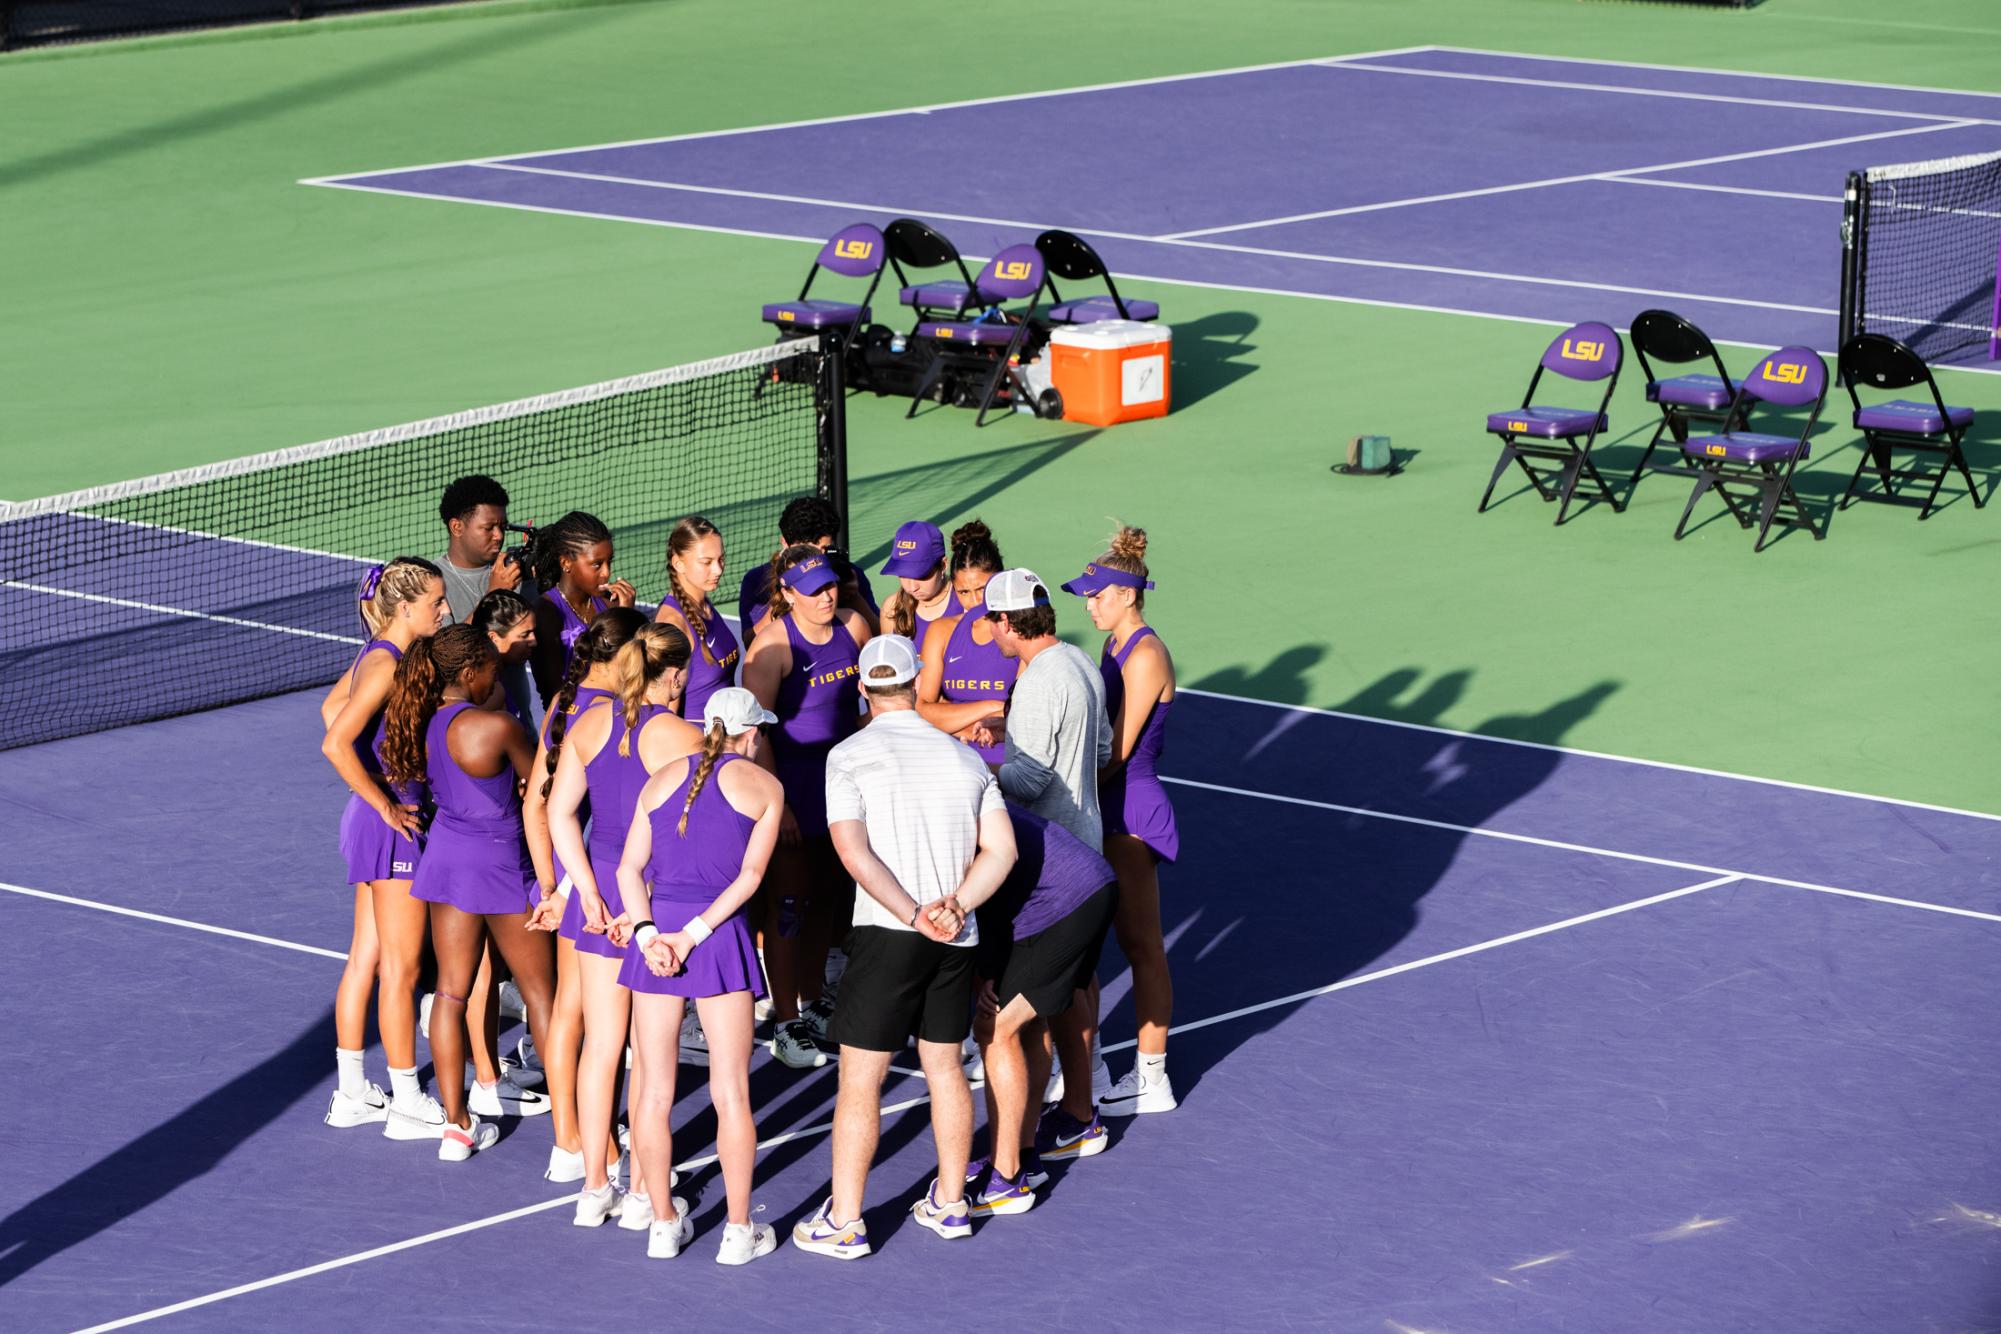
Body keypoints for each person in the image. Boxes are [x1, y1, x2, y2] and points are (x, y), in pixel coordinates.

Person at [791, 635, 1016, 1261]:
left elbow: (852, 852)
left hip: (890, 937)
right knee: (946, 1068)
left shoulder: (849, 756)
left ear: (861, 690)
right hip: (956, 938)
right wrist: (956, 907)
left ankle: (845, 1220)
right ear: (918, 682)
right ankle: (950, 1204)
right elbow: (1002, 851)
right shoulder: (966, 759)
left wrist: (914, 913)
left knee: (861, 1081)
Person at [614, 687, 786, 1263]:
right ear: (752, 734)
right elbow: (751, 877)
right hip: (716, 943)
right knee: (731, 1091)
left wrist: (647, 935)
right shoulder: (767, 788)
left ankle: (662, 1221)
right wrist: (692, 935)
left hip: (655, 943)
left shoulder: (658, 780)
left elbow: (629, 868)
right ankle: (738, 1232)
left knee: (654, 1091)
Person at [382, 626, 558, 1161]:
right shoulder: (498, 726)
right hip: (500, 867)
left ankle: (457, 1127)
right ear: (470, 672)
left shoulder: (426, 720)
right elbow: (543, 789)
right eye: (490, 668)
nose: (495, 676)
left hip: (448, 865)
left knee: (451, 994)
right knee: (541, 995)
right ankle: (576, 1129)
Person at [546, 622, 701, 1229]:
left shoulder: (588, 723)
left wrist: (586, 894)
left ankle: (593, 1188)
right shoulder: (681, 736)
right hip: (654, 895)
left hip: (603, 889)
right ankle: (641, 1193)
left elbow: (560, 813)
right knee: (649, 1050)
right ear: (677, 673)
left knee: (602, 1044)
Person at [319, 558, 448, 1134]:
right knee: (402, 967)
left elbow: (331, 708)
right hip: (389, 824)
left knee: (367, 959)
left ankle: (351, 1093)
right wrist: (387, 801)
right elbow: (334, 741)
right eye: (436, 603)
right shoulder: (388, 667)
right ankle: (406, 1101)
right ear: (405, 608)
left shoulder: (376, 654)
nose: (443, 611)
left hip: (370, 821)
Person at [986, 566, 1115, 1121]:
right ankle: (1082, 1103)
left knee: (1039, 1006)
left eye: (991, 620)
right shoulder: (1080, 661)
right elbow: (1104, 751)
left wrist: (977, 772)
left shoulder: (1039, 679)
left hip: (1048, 862)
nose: (988, 631)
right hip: (1088, 842)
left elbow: (1031, 780)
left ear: (1009, 623)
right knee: (1077, 986)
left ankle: (1057, 1116)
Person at [522, 609, 645, 1183]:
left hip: (569, 880)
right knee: (600, 1027)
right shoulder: (609, 717)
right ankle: (590, 1145)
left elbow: (537, 806)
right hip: (594, 882)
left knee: (569, 1012)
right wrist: (571, 888)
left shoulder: (562, 703)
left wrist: (551, 885)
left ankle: (568, 1139)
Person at [1064, 527, 1181, 1117]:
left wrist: (1065, 791)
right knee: (1090, 940)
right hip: (1108, 805)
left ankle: (1152, 1077)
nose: (1089, 605)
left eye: (1098, 595)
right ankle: (1091, 1063)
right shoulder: (1114, 647)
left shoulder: (1146, 654)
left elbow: (1118, 752)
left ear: (1128, 595)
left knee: (1141, 946)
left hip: (1129, 809)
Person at [741, 547, 871, 1068]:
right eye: (813, 590)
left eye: (830, 586)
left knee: (827, 896)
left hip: (841, 789)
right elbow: (756, 734)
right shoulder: (771, 648)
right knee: (789, 905)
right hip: (791, 790)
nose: (826, 596)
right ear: (788, 594)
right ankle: (787, 1016)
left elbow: (868, 705)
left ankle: (815, 999)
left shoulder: (855, 627)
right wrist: (780, 805)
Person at [964, 802, 1118, 1211]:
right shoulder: (967, 789)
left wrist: (990, 976)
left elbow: (988, 905)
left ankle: (1005, 1177)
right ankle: (1025, 1156)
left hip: (1059, 906)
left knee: (997, 1029)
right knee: (1033, 1024)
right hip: (1092, 884)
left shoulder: (945, 821)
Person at [916, 520, 1014, 765]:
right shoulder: (941, 631)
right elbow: (922, 710)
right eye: (963, 592)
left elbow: (1025, 717)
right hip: (953, 765)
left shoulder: (1019, 630)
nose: (974, 601)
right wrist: (993, 706)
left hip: (1011, 768)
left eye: (982, 588)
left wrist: (950, 717)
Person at [528, 511, 637, 706]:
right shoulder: (545, 613)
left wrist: (626, 617)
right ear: (566, 563)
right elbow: (553, 691)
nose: (606, 573)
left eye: (609, 562)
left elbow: (633, 671)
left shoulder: (611, 603)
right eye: (597, 564)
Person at [735, 496, 877, 637]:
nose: (817, 561)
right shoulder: (758, 580)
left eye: (823, 551)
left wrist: (853, 596)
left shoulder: (847, 573)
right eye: (806, 553)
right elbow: (751, 642)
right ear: (785, 544)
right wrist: (786, 597)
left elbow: (880, 635)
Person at [654, 515, 741, 723]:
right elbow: (666, 713)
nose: (718, 570)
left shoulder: (703, 605)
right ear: (678, 563)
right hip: (699, 747)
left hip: (727, 739)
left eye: (721, 559)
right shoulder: (672, 623)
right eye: (707, 562)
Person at [877, 520, 954, 640]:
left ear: (943, 565)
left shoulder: (967, 601)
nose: (913, 587)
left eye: (922, 576)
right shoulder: (892, 608)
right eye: (904, 575)